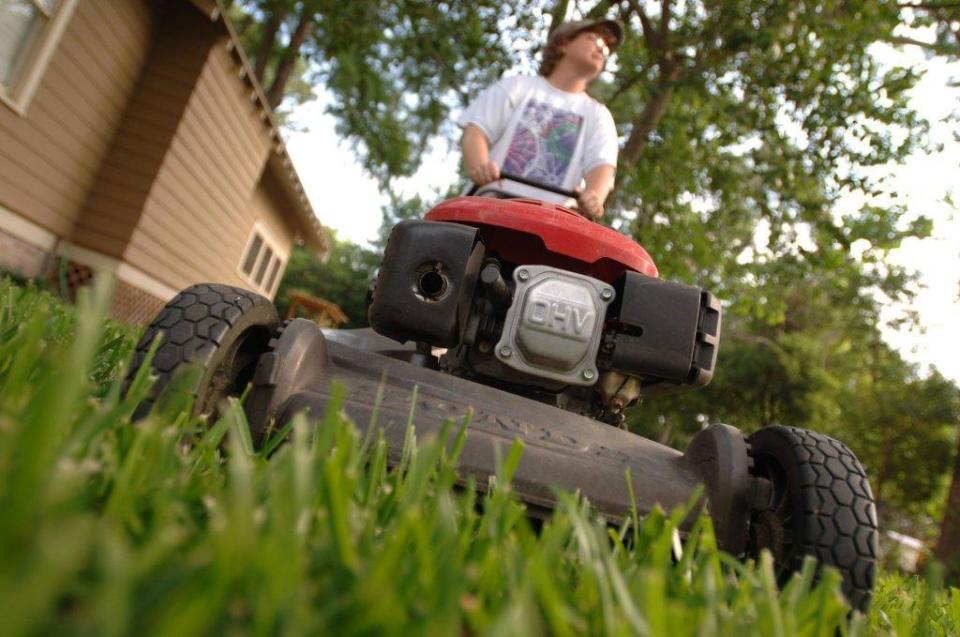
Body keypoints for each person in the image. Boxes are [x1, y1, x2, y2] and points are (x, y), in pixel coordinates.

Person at [458, 19, 623, 221]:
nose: (602, 48)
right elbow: (476, 132)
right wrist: (480, 165)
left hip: (550, 226)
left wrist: (594, 196)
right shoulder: (517, 86)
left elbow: (602, 166)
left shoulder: (598, 115)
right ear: (563, 43)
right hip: (487, 210)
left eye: (606, 49)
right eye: (594, 39)